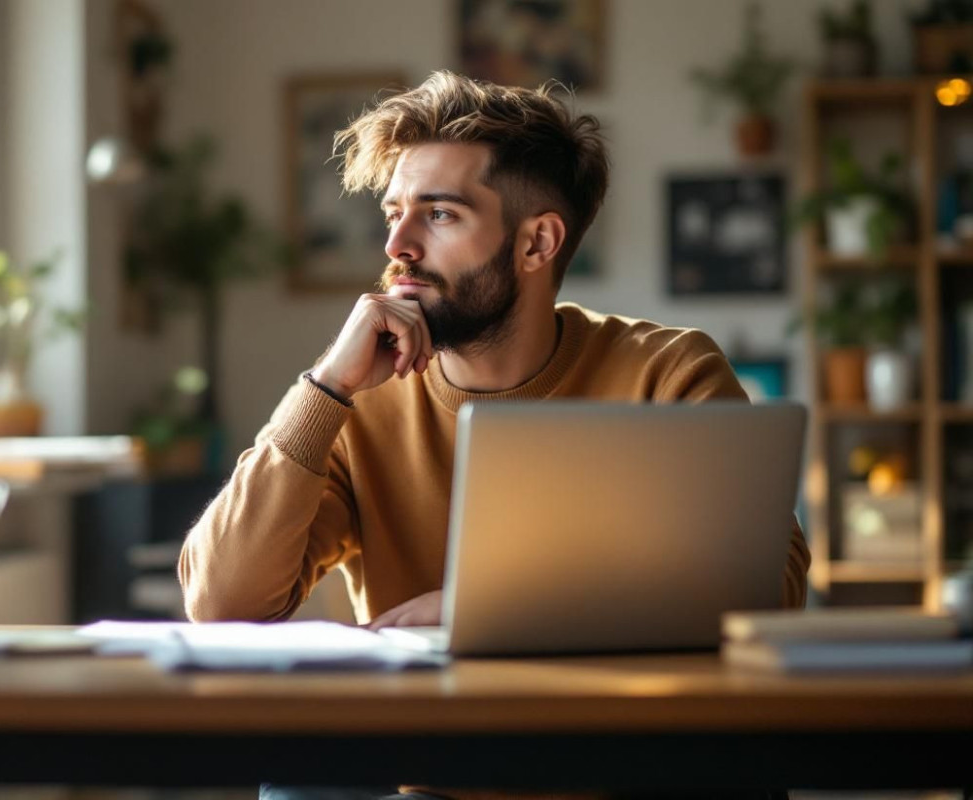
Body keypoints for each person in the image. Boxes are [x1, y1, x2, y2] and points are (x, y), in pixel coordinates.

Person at [177, 70, 807, 800]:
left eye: (438, 215)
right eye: (394, 213)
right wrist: (325, 390)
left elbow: (772, 589)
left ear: (537, 242)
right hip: (435, 778)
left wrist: (490, 608)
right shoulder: (359, 403)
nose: (399, 245)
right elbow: (222, 605)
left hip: (631, 770)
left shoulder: (668, 374)